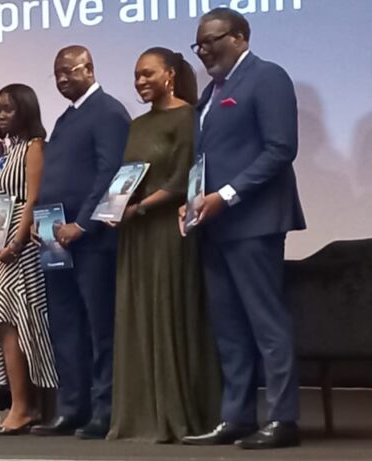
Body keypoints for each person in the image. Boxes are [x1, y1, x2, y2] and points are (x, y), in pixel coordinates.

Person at [180, 8, 305, 450]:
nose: (203, 50)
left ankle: (283, 420)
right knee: (229, 327)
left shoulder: (267, 77)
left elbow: (280, 149)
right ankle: (235, 417)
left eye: (211, 41)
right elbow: (207, 159)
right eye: (198, 44)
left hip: (254, 222)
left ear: (239, 37)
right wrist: (192, 202)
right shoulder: (211, 93)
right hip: (213, 225)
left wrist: (227, 195)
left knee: (266, 323)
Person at [104, 48, 221, 443]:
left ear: (169, 75)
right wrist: (115, 206)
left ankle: (173, 413)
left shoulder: (188, 117)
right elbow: (128, 176)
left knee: (167, 313)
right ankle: (139, 415)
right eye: (136, 75)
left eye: (148, 73)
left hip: (169, 231)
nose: (140, 81)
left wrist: (140, 207)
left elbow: (184, 177)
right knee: (137, 316)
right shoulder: (137, 125)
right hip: (135, 232)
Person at [31, 46, 130, 440]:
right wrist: (43, 222)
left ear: (89, 68)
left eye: (68, 71)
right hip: (55, 239)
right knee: (65, 326)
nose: (61, 79)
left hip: (92, 241)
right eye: (57, 73)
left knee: (99, 327)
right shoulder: (65, 118)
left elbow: (111, 174)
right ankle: (71, 409)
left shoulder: (109, 112)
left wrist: (83, 225)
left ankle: (104, 411)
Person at [0, 84, 58, 435]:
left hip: (20, 247)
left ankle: (24, 406)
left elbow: (32, 199)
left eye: (8, 109)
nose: (1, 115)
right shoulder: (6, 151)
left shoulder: (34, 147)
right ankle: (23, 403)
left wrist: (16, 242)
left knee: (19, 321)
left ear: (25, 111)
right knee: (4, 321)